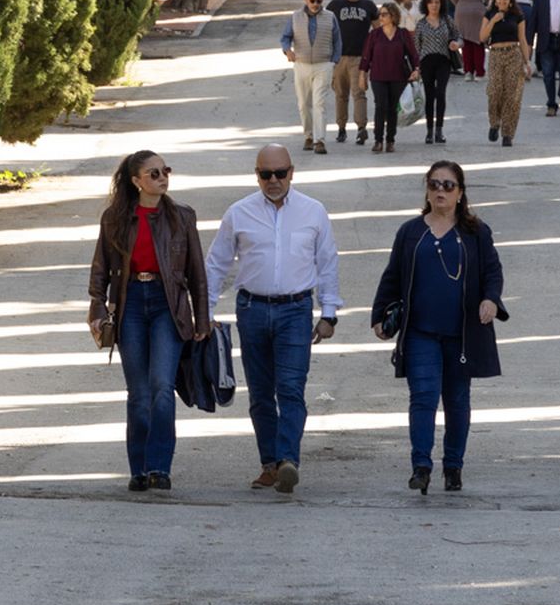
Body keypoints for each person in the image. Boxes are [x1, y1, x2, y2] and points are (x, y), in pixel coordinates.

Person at [206, 145, 343, 494]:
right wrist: (203, 313)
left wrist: (329, 314)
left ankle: (287, 461)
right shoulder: (239, 213)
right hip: (252, 310)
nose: (273, 181)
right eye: (265, 174)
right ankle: (269, 463)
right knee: (261, 393)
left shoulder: (313, 212)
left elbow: (327, 263)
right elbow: (216, 264)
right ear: (256, 175)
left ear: (292, 172)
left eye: (280, 173)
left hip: (295, 311)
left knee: (291, 389)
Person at [372, 160, 508, 494]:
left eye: (448, 185)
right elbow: (392, 276)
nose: (440, 191)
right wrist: (379, 316)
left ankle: (453, 466)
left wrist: (490, 299)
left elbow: (493, 271)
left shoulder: (476, 233)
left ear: (461, 193)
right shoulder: (411, 232)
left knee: (458, 400)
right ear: (427, 190)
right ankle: (421, 466)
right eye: (434, 184)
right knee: (423, 397)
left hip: (462, 334)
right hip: (420, 332)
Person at [88, 150, 209, 492]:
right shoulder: (115, 218)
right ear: (136, 181)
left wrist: (202, 318)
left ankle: (159, 467)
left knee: (161, 388)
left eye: (165, 171)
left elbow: (196, 271)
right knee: (138, 393)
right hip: (131, 304)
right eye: (153, 173)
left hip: (167, 306)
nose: (162, 178)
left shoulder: (182, 217)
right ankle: (139, 469)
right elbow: (100, 268)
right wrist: (97, 309)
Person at [279, 0, 341, 154]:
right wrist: (288, 50)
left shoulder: (330, 17)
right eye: (312, 0)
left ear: (323, 1)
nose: (315, 4)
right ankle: (308, 135)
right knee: (303, 104)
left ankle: (319, 140)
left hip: (323, 65)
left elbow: (337, 41)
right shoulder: (295, 17)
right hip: (302, 64)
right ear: (306, 0)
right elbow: (285, 37)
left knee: (319, 103)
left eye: (319, 1)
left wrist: (333, 62)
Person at [359, 2, 420, 153]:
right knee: (381, 106)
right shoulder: (375, 34)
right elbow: (366, 57)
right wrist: (362, 74)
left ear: (393, 16)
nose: (380, 17)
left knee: (392, 109)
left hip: (398, 76)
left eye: (384, 14)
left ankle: (390, 140)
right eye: (380, 14)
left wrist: (417, 69)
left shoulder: (402, 34)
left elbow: (413, 54)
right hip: (378, 76)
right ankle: (378, 140)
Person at [327, 0, 377, 146]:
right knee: (340, 94)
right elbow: (326, 29)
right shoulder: (335, 5)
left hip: (359, 59)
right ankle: (341, 128)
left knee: (359, 93)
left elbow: (377, 30)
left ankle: (361, 129)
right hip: (339, 58)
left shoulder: (368, 6)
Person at [480, 0, 530, 145]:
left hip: (513, 54)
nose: (502, 1)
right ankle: (494, 123)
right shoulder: (489, 15)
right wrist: (493, 21)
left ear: (510, 2)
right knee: (494, 91)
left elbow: (522, 39)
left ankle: (508, 133)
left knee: (512, 95)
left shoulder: (517, 16)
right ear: (495, 1)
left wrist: (527, 61)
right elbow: (482, 37)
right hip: (495, 55)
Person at [414, 0, 462, 144]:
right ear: (426, 5)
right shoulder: (421, 24)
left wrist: (457, 44)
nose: (434, 5)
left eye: (437, 2)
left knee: (440, 93)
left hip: (443, 61)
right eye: (431, 2)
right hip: (426, 62)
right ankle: (429, 131)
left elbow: (460, 37)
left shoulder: (447, 20)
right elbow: (416, 47)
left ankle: (439, 131)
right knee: (429, 95)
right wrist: (416, 67)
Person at [447, 0, 494, 81]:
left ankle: (468, 72)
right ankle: (479, 72)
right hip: (479, 11)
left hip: (462, 10)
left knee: (466, 42)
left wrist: (459, 4)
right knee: (478, 42)